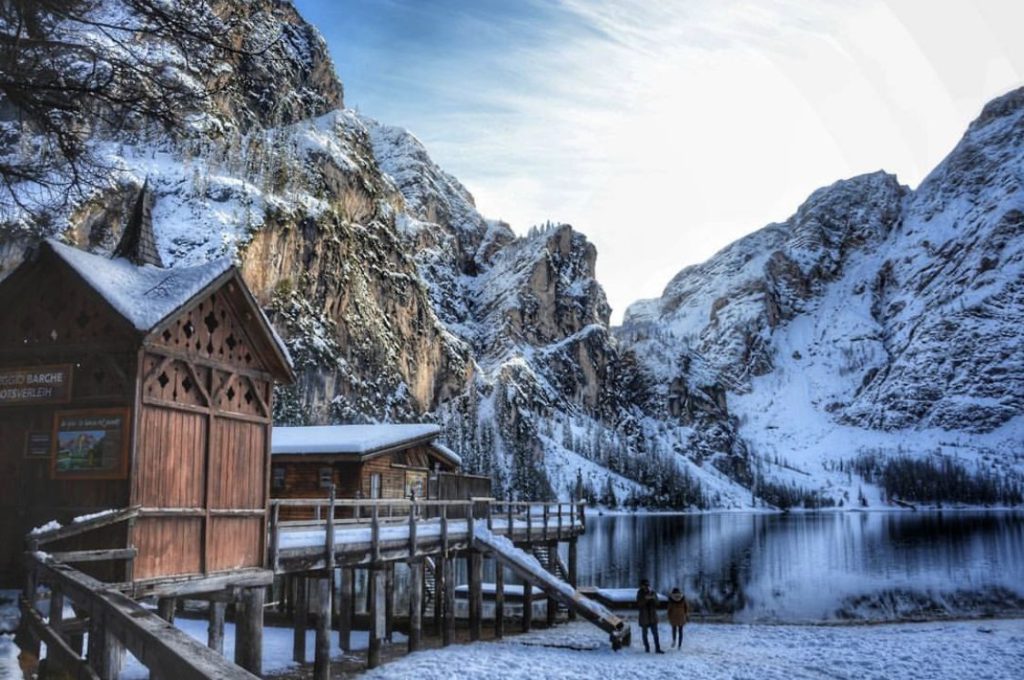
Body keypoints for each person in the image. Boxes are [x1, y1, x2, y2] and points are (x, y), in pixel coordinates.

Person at [636, 579, 664, 653]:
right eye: (644, 585)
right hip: (644, 616)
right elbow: (639, 604)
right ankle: (647, 648)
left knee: (655, 633)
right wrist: (645, 599)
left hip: (652, 616)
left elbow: (658, 603)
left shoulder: (652, 592)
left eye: (647, 585)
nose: (646, 587)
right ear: (641, 586)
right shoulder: (639, 593)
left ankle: (657, 648)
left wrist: (654, 598)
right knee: (644, 633)